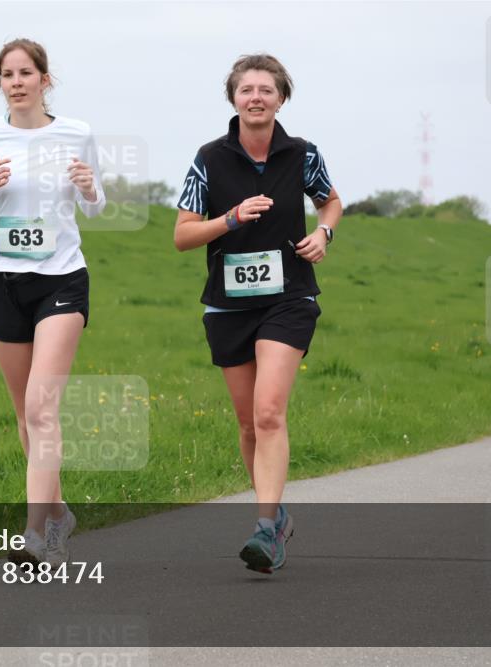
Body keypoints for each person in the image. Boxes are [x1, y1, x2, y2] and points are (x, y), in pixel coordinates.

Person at [173, 53, 342, 574]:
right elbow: (182, 235)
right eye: (246, 89)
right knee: (248, 424)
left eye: (266, 89)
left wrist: (324, 233)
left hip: (289, 297)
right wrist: (230, 218)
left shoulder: (303, 154)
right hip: (227, 305)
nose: (256, 97)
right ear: (233, 98)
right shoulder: (208, 159)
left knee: (269, 412)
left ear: (281, 99)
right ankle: (277, 516)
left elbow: (331, 202)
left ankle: (266, 529)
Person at [0, 38, 106, 568]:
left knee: (42, 408)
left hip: (61, 279)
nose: (16, 83)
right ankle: (58, 514)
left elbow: (96, 207)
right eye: (7, 75)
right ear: (0, 83)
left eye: (26, 73)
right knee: (25, 415)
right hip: (4, 281)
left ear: (44, 80)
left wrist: (89, 188)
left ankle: (34, 534)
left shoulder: (76, 133)